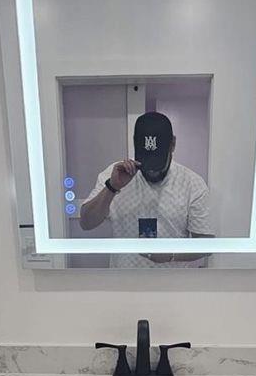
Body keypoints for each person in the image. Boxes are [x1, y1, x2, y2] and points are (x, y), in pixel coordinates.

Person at [80, 112, 213, 268]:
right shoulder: (114, 174)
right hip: (124, 280)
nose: (152, 170)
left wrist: (171, 255)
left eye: (157, 162)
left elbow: (206, 244)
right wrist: (112, 187)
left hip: (173, 281)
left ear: (173, 144)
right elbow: (86, 223)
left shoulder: (192, 184)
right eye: (147, 161)